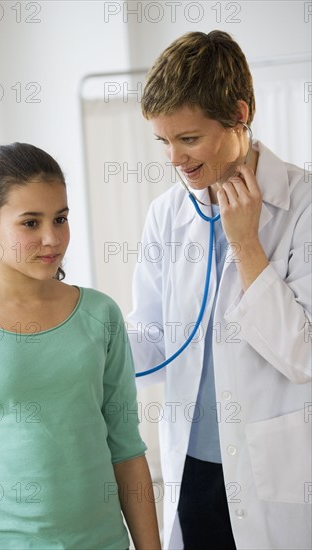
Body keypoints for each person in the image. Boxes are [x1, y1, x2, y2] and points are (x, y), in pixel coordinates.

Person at [0, 142, 162, 550]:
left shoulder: (101, 315)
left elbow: (127, 450)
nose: (52, 238)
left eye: (60, 218)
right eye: (30, 223)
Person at [127, 31, 311, 550]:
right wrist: (75, 329)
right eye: (163, 141)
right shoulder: (167, 212)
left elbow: (303, 353)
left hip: (270, 472)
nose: (174, 160)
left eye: (188, 139)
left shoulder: (303, 206)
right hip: (193, 468)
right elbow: (154, 339)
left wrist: (247, 244)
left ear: (238, 113)